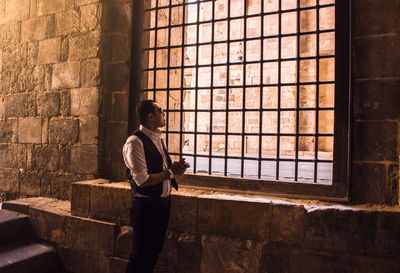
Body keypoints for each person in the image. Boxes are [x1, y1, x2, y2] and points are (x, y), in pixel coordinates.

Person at [122, 100, 190, 273]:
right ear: (150, 116)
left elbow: (162, 170)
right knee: (140, 255)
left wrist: (175, 169)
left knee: (154, 252)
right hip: (147, 207)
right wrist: (169, 172)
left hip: (163, 205)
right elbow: (142, 180)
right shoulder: (135, 142)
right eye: (161, 110)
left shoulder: (158, 138)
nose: (164, 113)